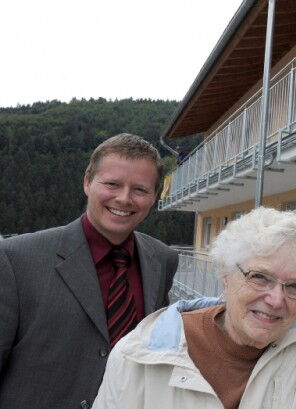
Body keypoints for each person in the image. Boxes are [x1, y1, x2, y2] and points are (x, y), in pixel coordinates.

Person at [93, 207, 296, 408]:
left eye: (295, 286)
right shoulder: (138, 355)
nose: (276, 300)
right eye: (260, 277)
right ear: (226, 274)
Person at [0, 133, 178, 409]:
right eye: (112, 184)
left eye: (140, 190)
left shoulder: (163, 259)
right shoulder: (16, 258)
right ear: (87, 182)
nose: (124, 199)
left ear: (154, 196)